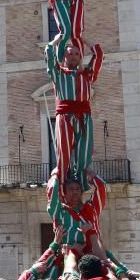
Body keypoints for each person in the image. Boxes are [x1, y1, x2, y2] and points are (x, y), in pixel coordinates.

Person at [44, 40, 104, 195]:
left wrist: (83, 39)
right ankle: (62, 183)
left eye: (77, 54)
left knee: (84, 153)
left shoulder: (87, 75)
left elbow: (99, 55)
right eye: (70, 54)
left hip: (84, 117)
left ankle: (82, 185)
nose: (73, 57)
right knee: (63, 152)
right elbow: (49, 55)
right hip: (65, 116)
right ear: (64, 56)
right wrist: (57, 39)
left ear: (80, 57)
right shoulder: (58, 74)